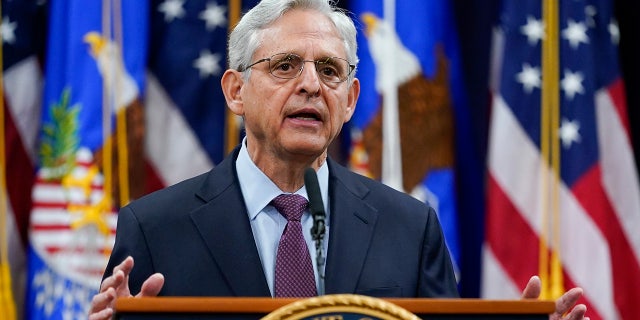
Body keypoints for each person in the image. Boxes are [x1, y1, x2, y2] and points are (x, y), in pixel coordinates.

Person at [89, 0, 588, 319]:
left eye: (329, 71)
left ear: (349, 100)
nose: (310, 84)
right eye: (285, 66)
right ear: (235, 90)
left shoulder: (410, 228)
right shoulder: (155, 228)